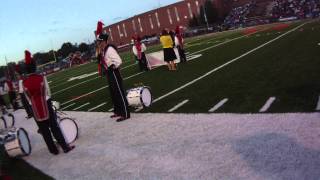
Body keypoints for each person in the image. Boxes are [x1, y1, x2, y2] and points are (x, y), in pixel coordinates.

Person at [23, 50, 75, 155]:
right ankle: (65, 147)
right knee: (54, 127)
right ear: (34, 66)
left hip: (34, 108)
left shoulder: (24, 82)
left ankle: (53, 150)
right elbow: (48, 93)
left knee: (44, 131)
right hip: (46, 104)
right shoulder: (41, 78)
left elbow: (27, 98)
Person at [97, 33, 130, 122]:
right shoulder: (104, 50)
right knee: (113, 93)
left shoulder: (110, 49)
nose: (99, 43)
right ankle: (118, 111)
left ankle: (125, 113)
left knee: (119, 92)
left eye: (100, 42)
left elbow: (119, 61)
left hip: (114, 72)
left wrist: (112, 68)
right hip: (109, 73)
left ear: (104, 41)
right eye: (98, 42)